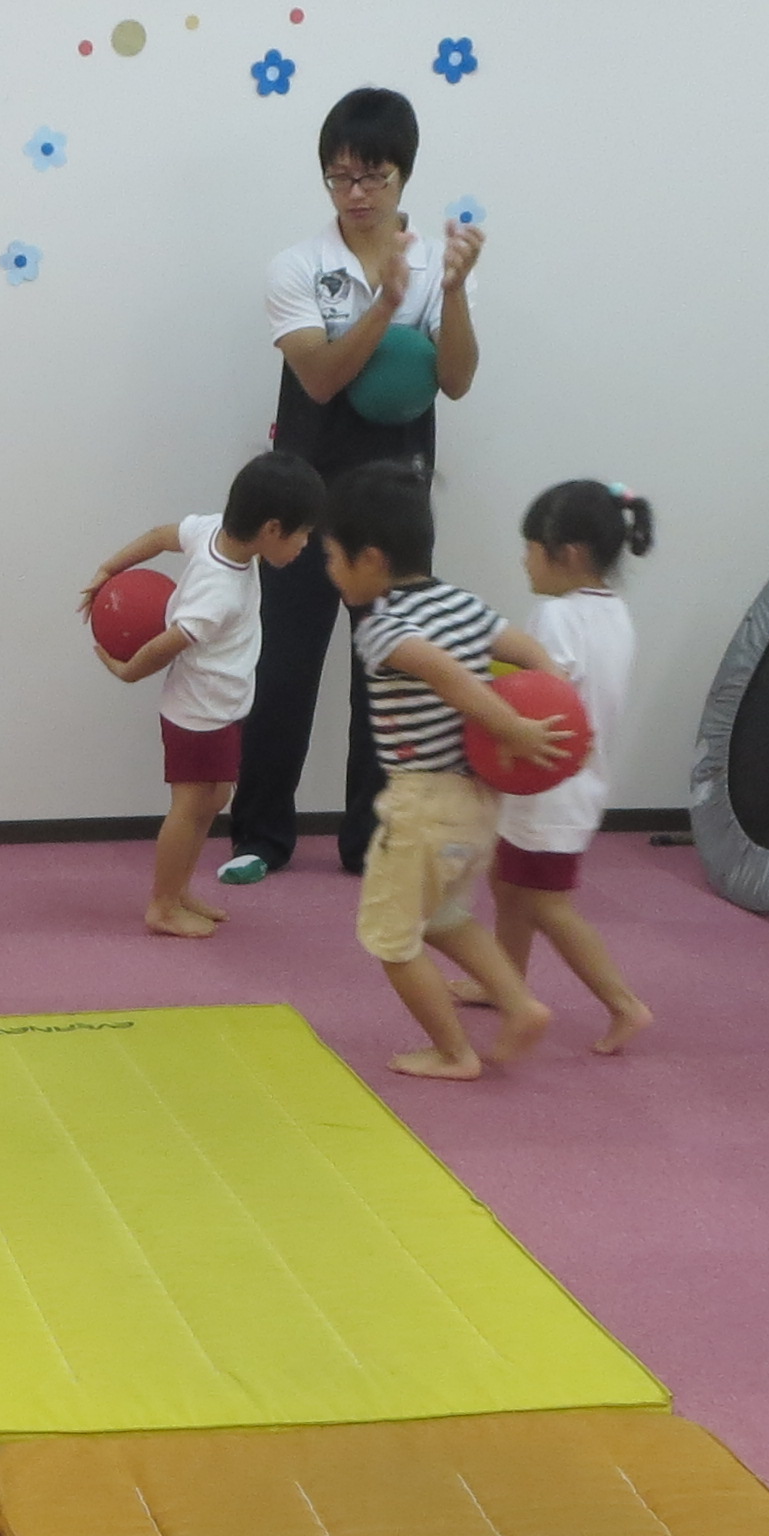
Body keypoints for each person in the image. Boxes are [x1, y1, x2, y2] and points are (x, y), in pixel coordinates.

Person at [218, 86, 486, 887]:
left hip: (396, 503)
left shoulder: (436, 265)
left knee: (389, 675)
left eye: (373, 176)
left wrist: (451, 293)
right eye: (340, 177)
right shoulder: (299, 266)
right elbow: (321, 378)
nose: (356, 193)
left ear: (404, 175)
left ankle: (370, 840)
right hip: (303, 500)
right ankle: (260, 835)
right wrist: (386, 306)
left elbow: (457, 381)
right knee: (284, 669)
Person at [320, 463, 560, 1080]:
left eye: (333, 558)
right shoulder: (462, 604)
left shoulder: (381, 629)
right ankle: (520, 1004)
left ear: (371, 560)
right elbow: (526, 651)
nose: (330, 571)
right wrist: (554, 697)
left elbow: (445, 675)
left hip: (423, 804)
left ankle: (454, 1053)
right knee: (448, 919)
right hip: (476, 804)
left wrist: (513, 728)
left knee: (390, 938)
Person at [80, 453, 326, 936]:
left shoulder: (215, 531)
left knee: (215, 797)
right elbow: (166, 644)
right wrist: (127, 672)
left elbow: (159, 535)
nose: (305, 545)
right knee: (190, 807)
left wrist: (109, 565)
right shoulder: (219, 591)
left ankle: (178, 889)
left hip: (222, 706)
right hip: (198, 713)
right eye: (302, 535)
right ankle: (162, 905)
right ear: (271, 529)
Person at [493, 481, 655, 1052]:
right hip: (573, 781)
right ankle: (503, 982)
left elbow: (546, 693)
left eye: (531, 547)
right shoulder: (615, 613)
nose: (524, 559)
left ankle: (624, 1005)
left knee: (545, 903)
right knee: (507, 881)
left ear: (570, 553)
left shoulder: (556, 614)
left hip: (550, 783)